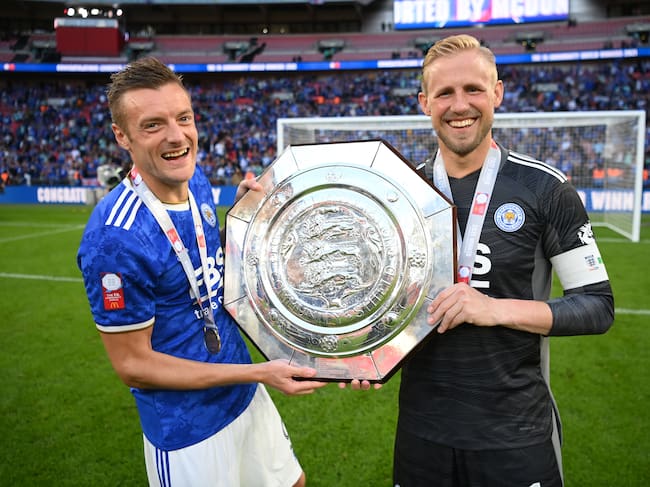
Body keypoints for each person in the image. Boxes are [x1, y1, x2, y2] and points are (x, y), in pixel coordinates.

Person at [77, 57, 326, 487]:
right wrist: (258, 372)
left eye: (183, 118)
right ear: (122, 136)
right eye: (153, 125)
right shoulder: (113, 241)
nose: (177, 137)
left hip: (243, 393)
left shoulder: (196, 182)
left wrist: (247, 221)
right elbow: (134, 365)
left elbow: (207, 261)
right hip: (187, 430)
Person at [392, 34, 614, 487]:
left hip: (516, 434)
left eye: (473, 89)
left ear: (497, 93)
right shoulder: (397, 193)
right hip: (421, 434)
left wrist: (493, 309)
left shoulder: (545, 189)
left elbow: (597, 305)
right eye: (445, 93)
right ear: (424, 102)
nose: (460, 105)